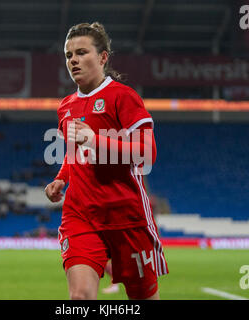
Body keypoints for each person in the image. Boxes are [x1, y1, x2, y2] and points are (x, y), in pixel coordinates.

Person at [45, 22, 168, 300]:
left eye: (81, 52)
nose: (73, 60)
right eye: (68, 55)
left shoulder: (123, 97)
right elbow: (73, 153)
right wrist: (61, 178)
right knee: (80, 297)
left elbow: (147, 153)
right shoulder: (65, 106)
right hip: (81, 215)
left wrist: (95, 139)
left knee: (142, 297)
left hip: (126, 216)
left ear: (102, 57)